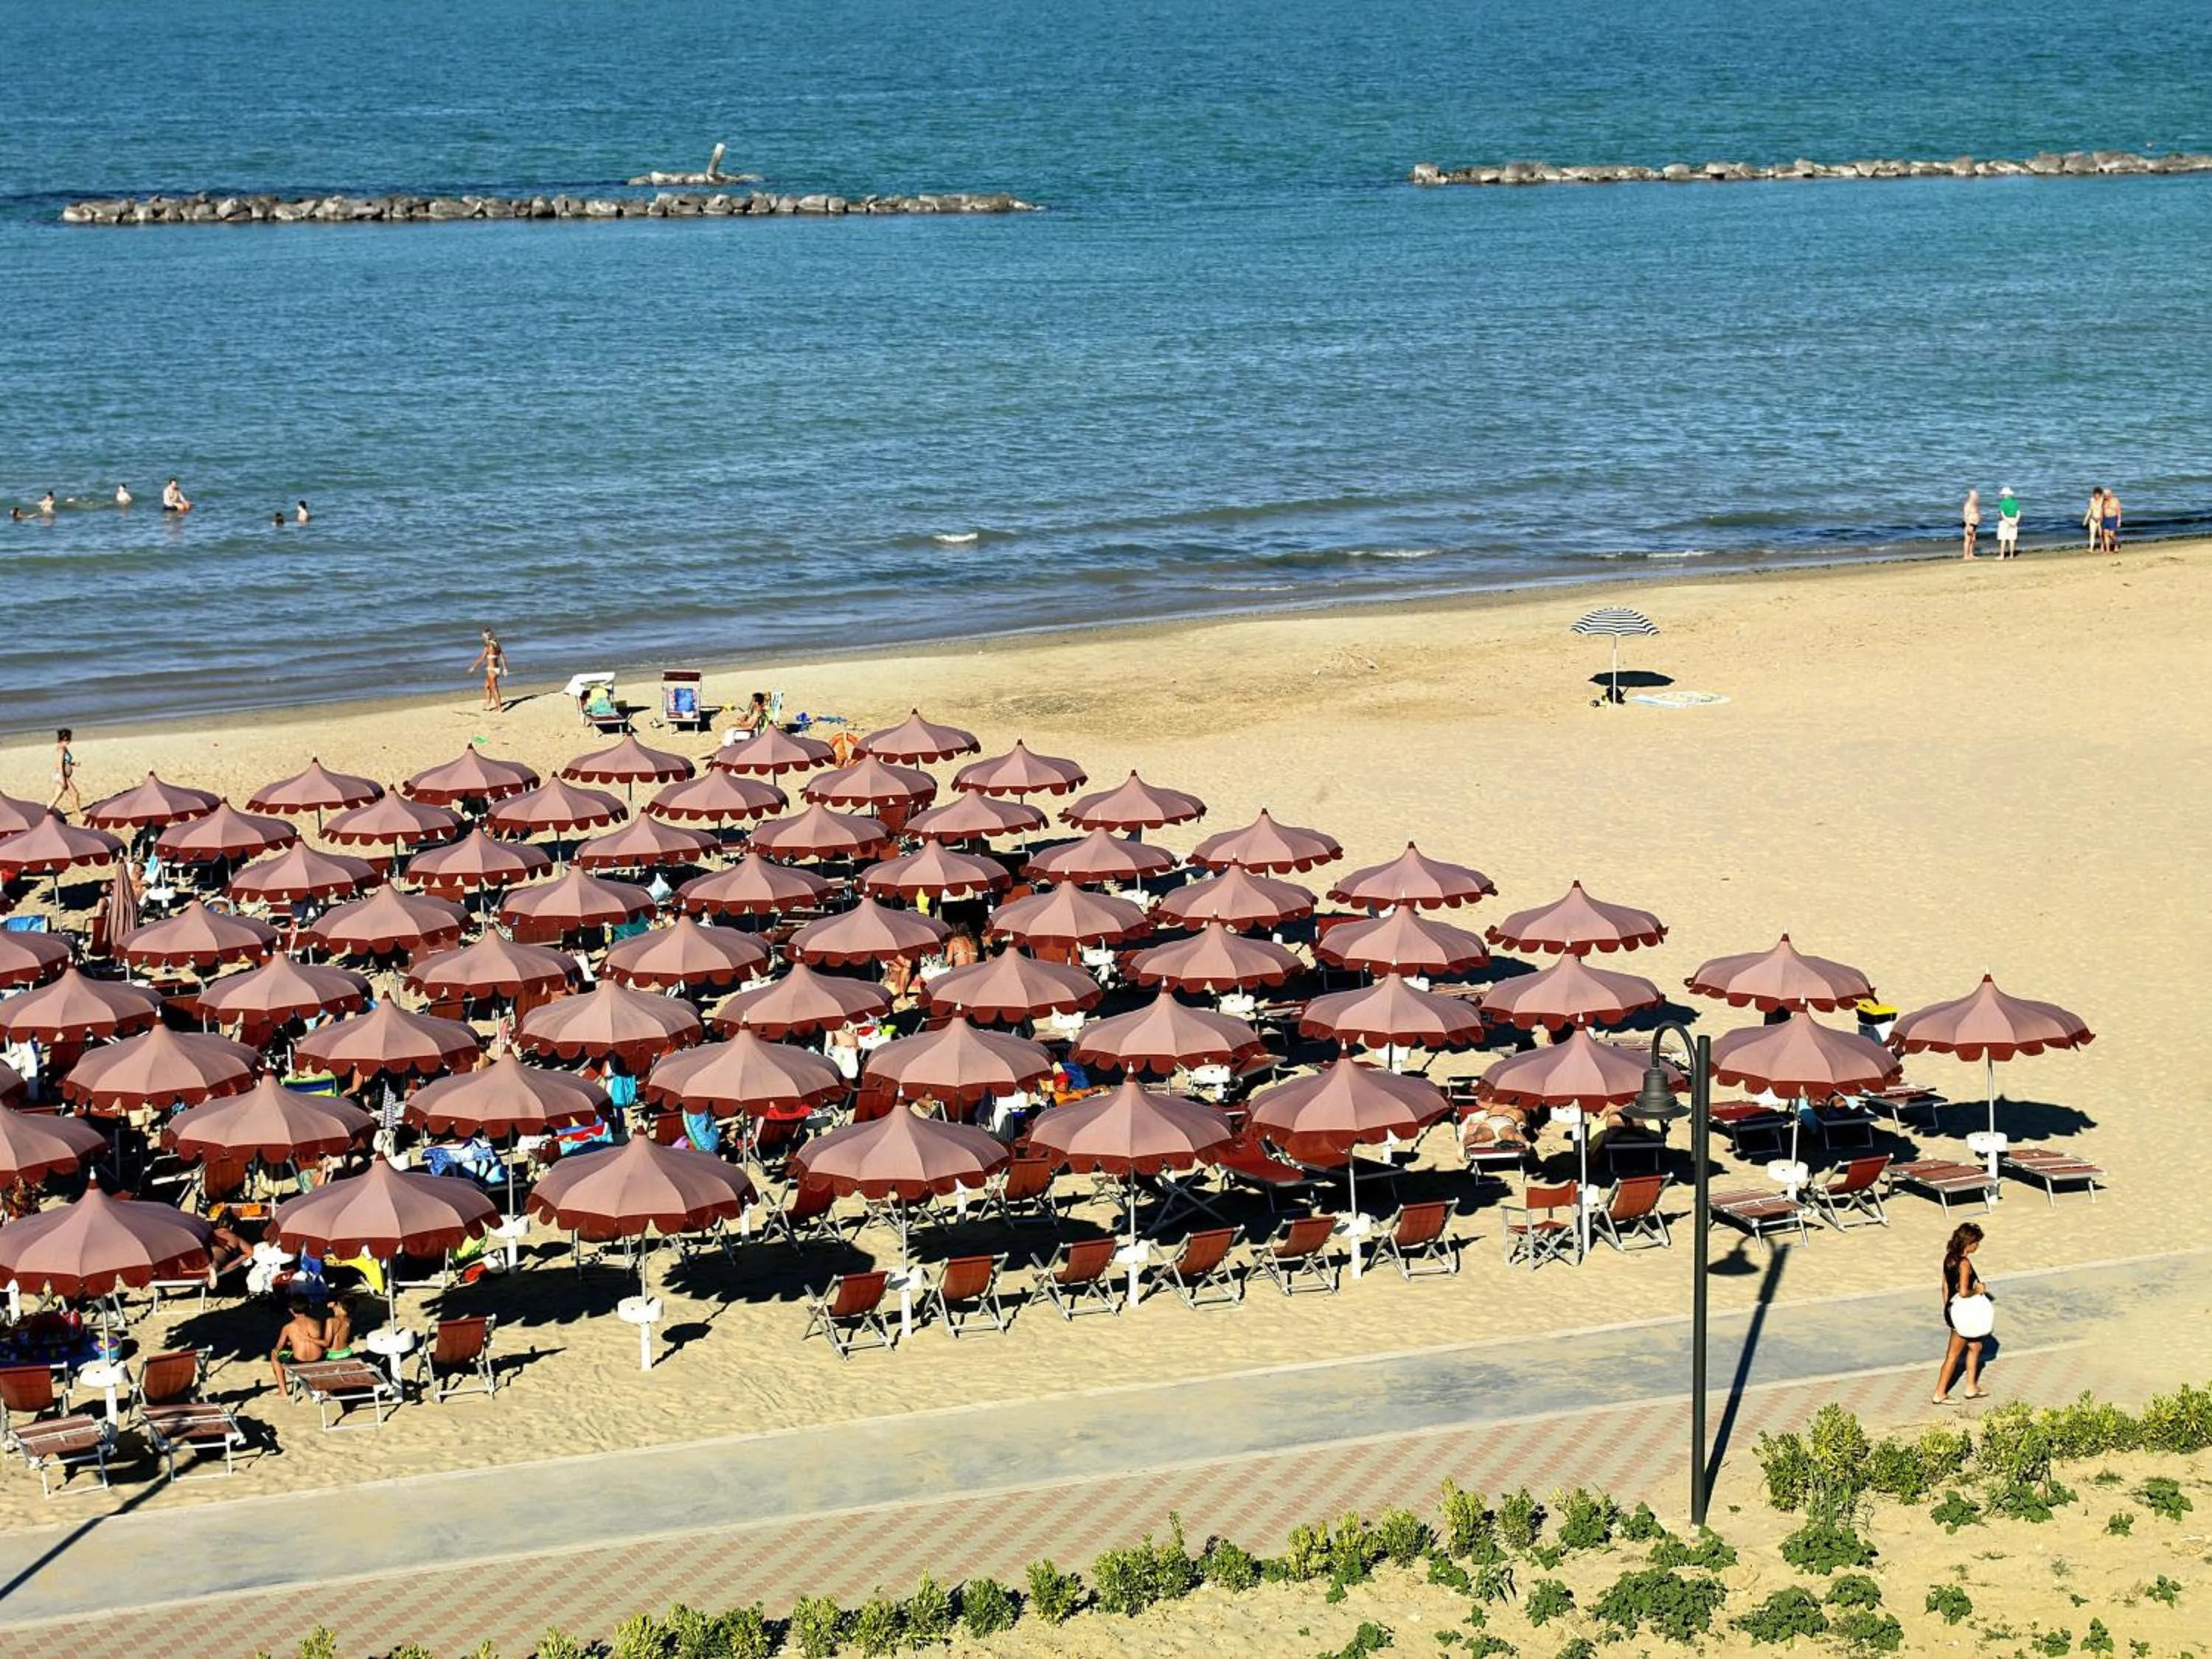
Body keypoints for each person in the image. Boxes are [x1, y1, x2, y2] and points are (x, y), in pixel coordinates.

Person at [1933, 1221, 1992, 1403]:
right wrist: (1979, 1290)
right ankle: (1940, 1393)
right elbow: (1964, 1292)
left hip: (1953, 1308)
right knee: (1953, 1355)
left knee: (1975, 1347)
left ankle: (1971, 1387)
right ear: (1969, 1243)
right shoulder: (1964, 1263)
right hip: (1963, 1312)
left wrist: (1948, 1309)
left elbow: (1945, 1286)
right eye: (1976, 1242)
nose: (1978, 1246)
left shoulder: (1949, 1258)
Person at [270, 1294, 332, 1386]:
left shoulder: (288, 1327)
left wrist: (291, 1343)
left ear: (291, 1310)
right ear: (309, 1307)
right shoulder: (317, 1323)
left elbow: (279, 1347)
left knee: (274, 1354)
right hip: (318, 1360)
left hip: (298, 1362)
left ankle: (283, 1392)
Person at [468, 628, 508, 712]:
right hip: (496, 669)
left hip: (491, 671)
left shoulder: (488, 647)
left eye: (484, 637)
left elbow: (481, 658)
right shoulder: (496, 645)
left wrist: (474, 667)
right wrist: (504, 668)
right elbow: (502, 657)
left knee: (494, 689)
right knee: (487, 686)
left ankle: (499, 708)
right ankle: (488, 702)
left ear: (487, 637)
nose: (483, 638)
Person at [47, 728, 82, 816]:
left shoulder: (63, 747)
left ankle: (48, 811)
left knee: (56, 797)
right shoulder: (61, 749)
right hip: (60, 775)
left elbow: (65, 762)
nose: (71, 740)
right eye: (70, 738)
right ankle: (79, 815)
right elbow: (59, 764)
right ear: (66, 738)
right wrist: (63, 779)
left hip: (61, 775)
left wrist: (73, 764)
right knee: (75, 794)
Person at [1995, 487, 2020, 558]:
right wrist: (2016, 521)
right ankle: (2011, 555)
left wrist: (2007, 521)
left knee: (2003, 539)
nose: (2002, 496)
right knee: (2012, 539)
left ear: (2005, 495)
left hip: (2004, 521)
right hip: (2013, 519)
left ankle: (2002, 555)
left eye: (2003, 495)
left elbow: (2002, 514)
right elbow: (2018, 513)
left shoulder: (2003, 503)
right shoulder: (2015, 503)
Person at [1961, 488, 1980, 560]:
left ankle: (1971, 554)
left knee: (1973, 539)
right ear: (1971, 496)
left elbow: (1977, 512)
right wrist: (1968, 526)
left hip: (1974, 524)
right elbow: (1966, 515)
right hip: (1969, 523)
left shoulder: (1975, 503)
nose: (1977, 496)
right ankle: (1966, 555)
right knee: (1968, 539)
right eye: (1975, 495)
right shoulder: (1968, 504)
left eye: (1976, 495)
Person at [2101, 486, 2122, 554]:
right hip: (2105, 519)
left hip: (2113, 518)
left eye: (2107, 495)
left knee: (2111, 534)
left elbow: (2119, 511)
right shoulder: (2103, 501)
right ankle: (2107, 550)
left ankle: (2116, 544)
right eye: (2105, 495)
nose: (2106, 496)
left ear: (2111, 494)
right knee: (2105, 534)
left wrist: (2119, 521)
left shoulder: (2115, 500)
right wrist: (2101, 519)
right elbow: (2102, 510)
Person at [2084, 487, 2104, 551]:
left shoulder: (2103, 500)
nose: (2096, 496)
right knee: (2092, 533)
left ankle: (2102, 547)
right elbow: (2090, 510)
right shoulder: (2092, 500)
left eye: (2098, 494)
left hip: (2100, 520)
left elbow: (2105, 510)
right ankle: (2091, 548)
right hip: (2093, 519)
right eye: (2095, 494)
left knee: (2101, 534)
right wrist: (2085, 520)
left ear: (2100, 494)